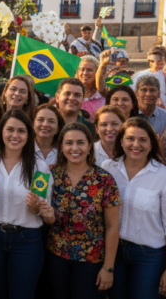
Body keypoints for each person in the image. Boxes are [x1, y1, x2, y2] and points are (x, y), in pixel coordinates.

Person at [100, 117, 166, 298]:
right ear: (121, 141)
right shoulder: (108, 168)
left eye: (143, 140)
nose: (136, 144)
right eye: (130, 138)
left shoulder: (165, 177)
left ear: (152, 144)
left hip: (150, 257)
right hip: (114, 252)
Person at [0, 109, 55, 299]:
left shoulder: (39, 166)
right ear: (1, 132)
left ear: (29, 135)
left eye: (21, 131)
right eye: (10, 129)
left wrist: (37, 207)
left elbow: (42, 205)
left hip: (26, 241)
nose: (15, 135)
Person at [46, 122, 120, 299]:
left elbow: (112, 227)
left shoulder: (104, 180)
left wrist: (108, 268)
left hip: (90, 261)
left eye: (80, 142)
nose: (74, 148)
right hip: (56, 257)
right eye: (69, 143)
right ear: (61, 146)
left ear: (89, 146)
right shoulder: (51, 174)